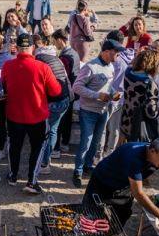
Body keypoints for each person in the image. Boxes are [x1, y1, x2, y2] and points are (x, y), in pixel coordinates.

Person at [1, 33, 62, 194]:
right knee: (37, 149)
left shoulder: (8, 66)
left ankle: (13, 176)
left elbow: (5, 85)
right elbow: (55, 91)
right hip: (37, 117)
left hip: (14, 115)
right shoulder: (43, 67)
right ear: (33, 48)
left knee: (14, 147)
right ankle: (31, 181)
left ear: (17, 49)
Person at [72, 38, 125, 188]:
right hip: (88, 111)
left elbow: (108, 87)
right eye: (116, 52)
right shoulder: (90, 67)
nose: (118, 56)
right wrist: (97, 95)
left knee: (95, 142)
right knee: (86, 142)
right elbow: (76, 87)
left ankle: (88, 166)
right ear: (106, 52)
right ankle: (78, 171)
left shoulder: (111, 67)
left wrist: (114, 93)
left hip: (103, 111)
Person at [35, 44, 71, 175]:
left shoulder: (39, 61)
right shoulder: (57, 59)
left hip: (54, 101)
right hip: (65, 99)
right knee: (53, 131)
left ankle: (44, 163)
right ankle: (47, 159)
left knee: (45, 132)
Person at [101, 30, 134, 158]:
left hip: (110, 97)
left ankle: (102, 154)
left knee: (104, 129)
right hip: (121, 97)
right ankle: (111, 152)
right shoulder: (128, 56)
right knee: (115, 128)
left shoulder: (114, 61)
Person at [118, 49, 159, 145]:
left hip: (126, 118)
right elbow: (151, 112)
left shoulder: (128, 73)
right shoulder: (149, 82)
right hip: (139, 124)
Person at [52, 29, 80, 155]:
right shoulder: (74, 52)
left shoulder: (64, 57)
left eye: (55, 41)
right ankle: (65, 143)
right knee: (67, 118)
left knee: (60, 121)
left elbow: (62, 76)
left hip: (66, 91)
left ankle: (56, 148)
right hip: (73, 91)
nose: (55, 45)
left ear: (59, 40)